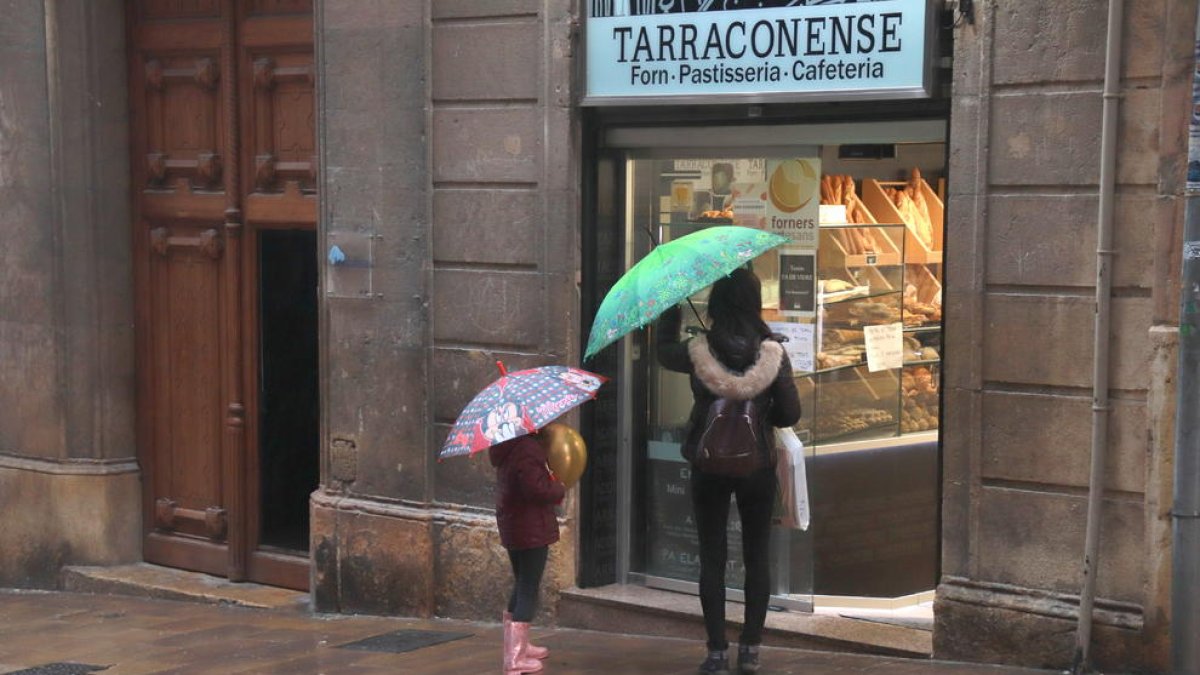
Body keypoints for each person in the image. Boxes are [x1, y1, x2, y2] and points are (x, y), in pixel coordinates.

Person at [656, 267, 802, 675]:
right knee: (757, 558)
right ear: (754, 303)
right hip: (756, 466)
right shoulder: (772, 353)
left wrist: (673, 304)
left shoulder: (698, 349)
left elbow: (662, 349)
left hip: (709, 465)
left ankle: (717, 652)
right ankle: (751, 650)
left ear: (716, 303)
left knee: (712, 557)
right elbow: (791, 413)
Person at [489, 431, 567, 675]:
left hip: (513, 525)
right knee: (528, 588)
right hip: (530, 527)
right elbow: (536, 490)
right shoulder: (526, 449)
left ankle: (517, 647)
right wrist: (558, 488)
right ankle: (515, 659)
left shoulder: (506, 445)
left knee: (522, 582)